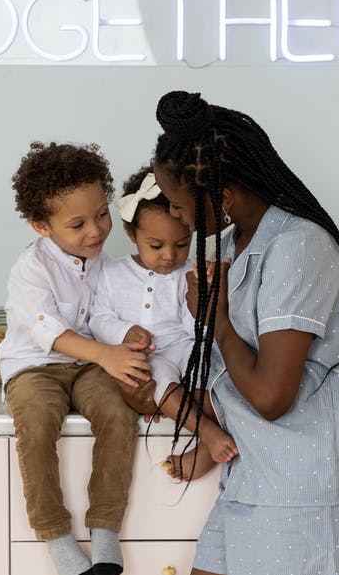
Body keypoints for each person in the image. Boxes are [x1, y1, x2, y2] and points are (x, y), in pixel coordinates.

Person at [149, 91, 339, 575]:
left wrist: (217, 321)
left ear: (224, 198)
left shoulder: (299, 248)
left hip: (302, 490)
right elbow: (227, 379)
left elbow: (273, 396)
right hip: (254, 474)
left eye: (177, 205)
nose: (175, 217)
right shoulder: (232, 244)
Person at [0, 142, 152, 575]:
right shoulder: (30, 269)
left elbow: (104, 315)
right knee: (39, 422)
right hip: (33, 366)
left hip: (86, 368)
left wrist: (126, 335)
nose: (96, 231)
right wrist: (106, 352)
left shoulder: (106, 265)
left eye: (102, 214)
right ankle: (54, 534)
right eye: (78, 224)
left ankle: (105, 529)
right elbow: (48, 330)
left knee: (119, 412)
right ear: (41, 226)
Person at [89, 166, 239, 480]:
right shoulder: (112, 273)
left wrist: (204, 290)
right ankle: (208, 434)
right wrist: (124, 332)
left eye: (182, 244)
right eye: (156, 245)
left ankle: (211, 443)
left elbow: (194, 329)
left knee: (219, 378)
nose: (169, 256)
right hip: (148, 358)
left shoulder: (189, 273)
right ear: (132, 234)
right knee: (155, 379)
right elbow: (99, 318)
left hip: (184, 347)